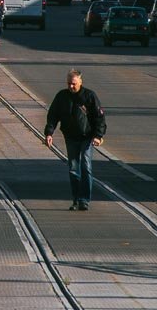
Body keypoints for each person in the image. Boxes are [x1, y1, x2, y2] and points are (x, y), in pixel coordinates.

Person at [44, 69, 107, 211]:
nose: (71, 86)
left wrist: (98, 136)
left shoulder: (89, 96)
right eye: (68, 84)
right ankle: (76, 199)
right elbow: (53, 115)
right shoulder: (62, 96)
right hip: (70, 137)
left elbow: (99, 118)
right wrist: (49, 133)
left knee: (86, 165)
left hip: (87, 137)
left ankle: (84, 199)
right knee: (73, 168)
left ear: (80, 82)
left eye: (73, 84)